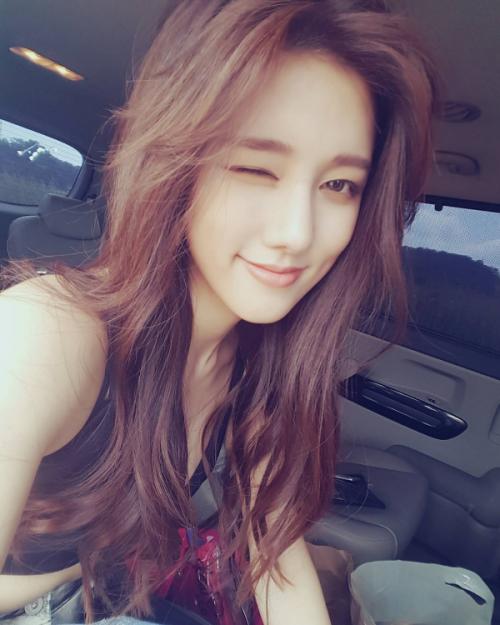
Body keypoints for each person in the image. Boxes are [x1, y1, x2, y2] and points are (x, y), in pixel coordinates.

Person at [0, 0, 439, 623]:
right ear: (174, 168)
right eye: (256, 168)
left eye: (338, 185)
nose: (297, 233)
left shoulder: (259, 373)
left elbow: (277, 561)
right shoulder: (45, 335)